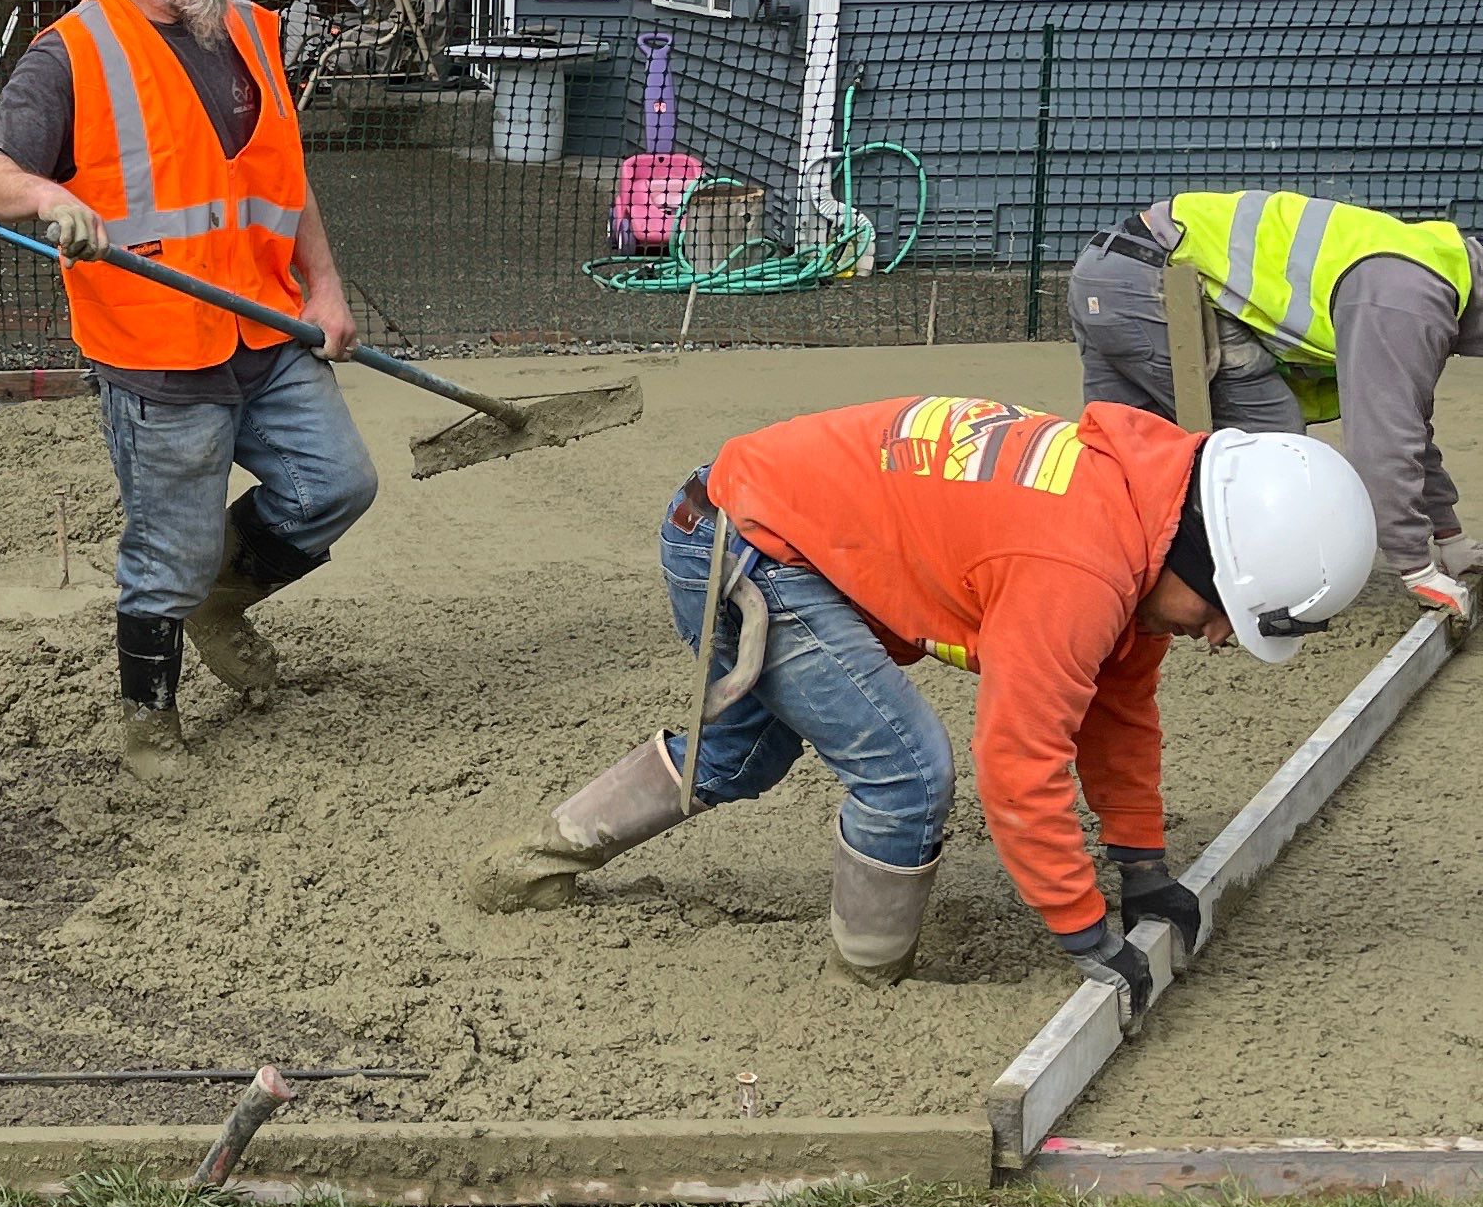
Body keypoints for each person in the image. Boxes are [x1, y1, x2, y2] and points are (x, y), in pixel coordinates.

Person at [472, 396, 1377, 1000]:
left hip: (753, 521)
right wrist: (1086, 933)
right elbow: (1020, 770)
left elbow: (1118, 712)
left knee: (745, 755)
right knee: (908, 773)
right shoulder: (1079, 568)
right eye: (1225, 616)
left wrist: (1141, 867)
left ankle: (529, 864)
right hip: (748, 546)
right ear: (1205, 558)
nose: (1220, 637)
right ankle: (868, 984)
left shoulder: (1143, 514)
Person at [0, 0, 378, 782]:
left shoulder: (249, 33)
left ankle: (220, 603)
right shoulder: (70, 53)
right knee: (169, 551)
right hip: (158, 352)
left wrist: (327, 287)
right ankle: (150, 719)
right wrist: (47, 198)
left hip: (266, 330)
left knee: (336, 485)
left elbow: (286, 179)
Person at [1070, 191, 1483, 622]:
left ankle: (1094, 580)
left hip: (1106, 272)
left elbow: (1409, 422)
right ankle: (1249, 588)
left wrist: (1449, 536)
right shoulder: (1408, 301)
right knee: (1271, 442)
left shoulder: (1429, 263)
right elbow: (1386, 444)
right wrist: (1417, 569)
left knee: (1120, 454)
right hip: (1155, 284)